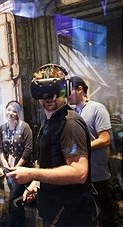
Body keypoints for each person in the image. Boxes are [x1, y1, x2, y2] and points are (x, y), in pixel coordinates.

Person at [7, 63, 95, 226]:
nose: (50, 97)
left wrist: (32, 174)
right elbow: (51, 162)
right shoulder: (49, 122)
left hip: (71, 216)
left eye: (56, 90)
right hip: (56, 212)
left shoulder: (70, 123)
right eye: (43, 90)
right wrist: (35, 184)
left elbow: (79, 173)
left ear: (66, 90)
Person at [68, 76, 120, 227]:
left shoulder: (97, 108)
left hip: (98, 175)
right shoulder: (72, 113)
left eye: (69, 90)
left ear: (80, 89)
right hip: (79, 176)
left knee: (108, 218)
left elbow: (105, 139)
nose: (66, 95)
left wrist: (81, 149)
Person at [0, 100, 33, 227]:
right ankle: (20, 223)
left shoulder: (25, 127)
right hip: (8, 171)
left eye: (14, 110)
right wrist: (5, 164)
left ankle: (11, 224)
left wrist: (16, 168)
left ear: (18, 113)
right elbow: (0, 149)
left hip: (21, 171)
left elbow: (28, 150)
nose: (11, 113)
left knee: (13, 200)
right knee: (17, 202)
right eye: (9, 110)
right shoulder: (2, 128)